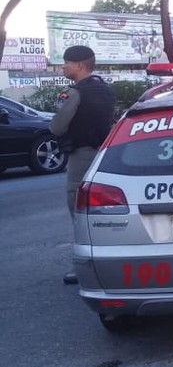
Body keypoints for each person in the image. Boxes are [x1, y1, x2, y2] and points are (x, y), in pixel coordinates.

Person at [49, 45, 116, 284]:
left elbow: (56, 127)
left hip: (81, 157)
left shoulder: (73, 93)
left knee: (79, 213)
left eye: (66, 62)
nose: (63, 66)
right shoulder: (105, 89)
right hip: (104, 156)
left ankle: (84, 268)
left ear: (79, 65)